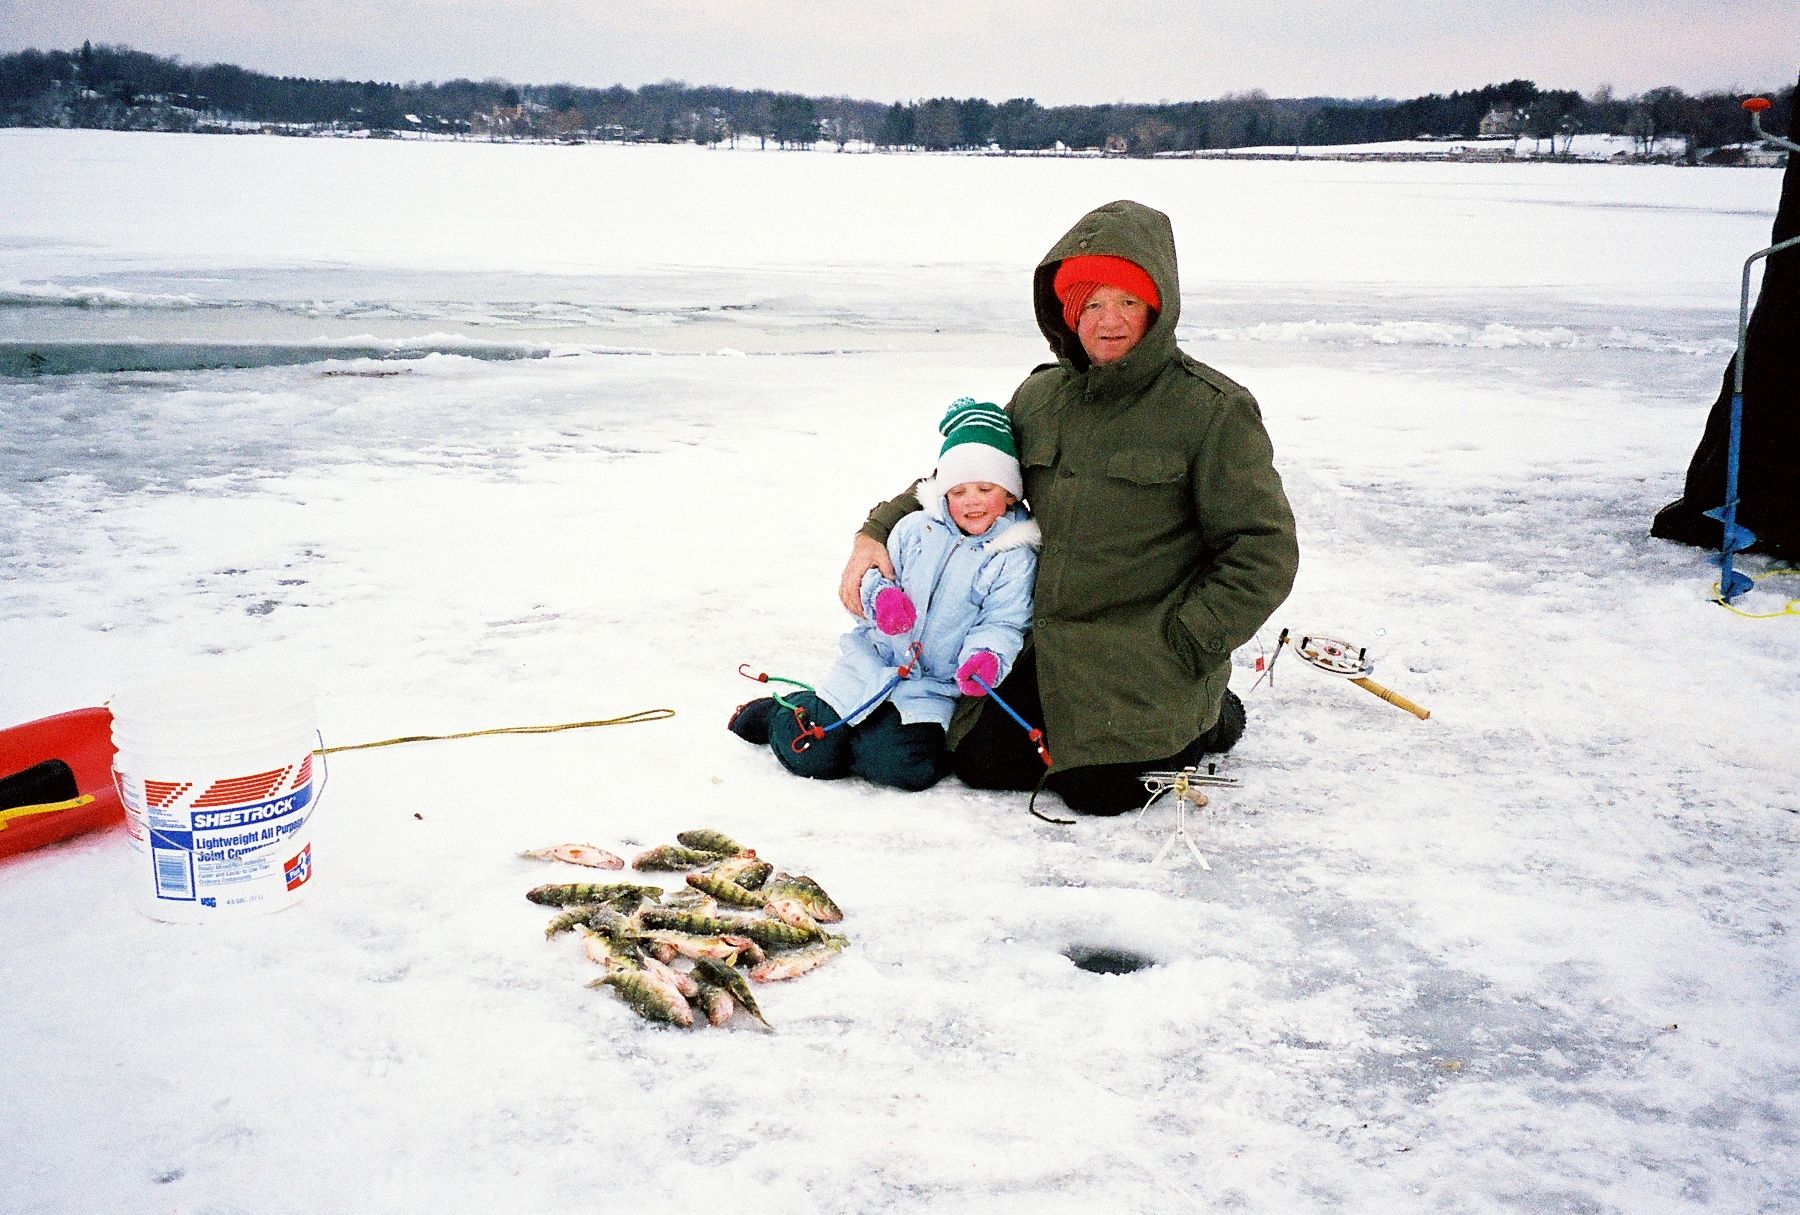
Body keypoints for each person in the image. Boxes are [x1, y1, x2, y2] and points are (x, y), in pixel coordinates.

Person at [838, 199, 1299, 815]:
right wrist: (876, 531)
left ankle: (1211, 714)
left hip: (1146, 649)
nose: (1108, 321)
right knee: (983, 762)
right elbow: (967, 479)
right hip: (1044, 643)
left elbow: (1262, 550)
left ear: (1157, 309)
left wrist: (1190, 642)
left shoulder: (1212, 411)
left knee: (1097, 792)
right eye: (1093, 304)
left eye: (1128, 302)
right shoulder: (1040, 397)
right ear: (1068, 312)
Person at [730, 398, 1040, 792]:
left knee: (905, 768)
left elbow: (1004, 621)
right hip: (872, 662)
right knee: (808, 752)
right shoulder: (914, 529)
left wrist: (986, 657)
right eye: (959, 491)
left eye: (985, 488)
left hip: (934, 686)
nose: (972, 501)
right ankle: (779, 713)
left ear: (1010, 494)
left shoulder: (1013, 557)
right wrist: (882, 600)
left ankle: (857, 737)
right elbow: (875, 577)